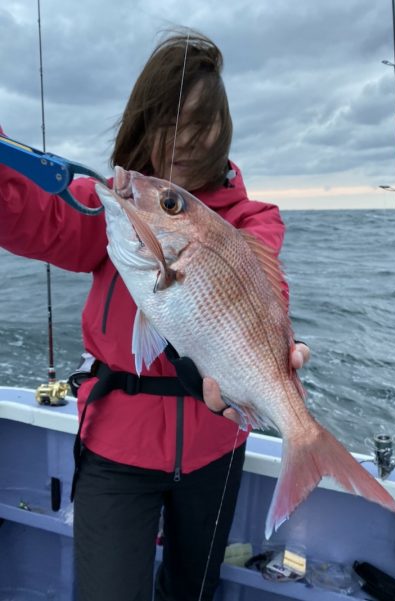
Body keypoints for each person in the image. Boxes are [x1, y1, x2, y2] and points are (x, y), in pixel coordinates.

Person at [0, 29, 309, 601]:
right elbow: (28, 216)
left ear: (225, 127)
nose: (186, 141)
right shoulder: (118, 207)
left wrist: (273, 354)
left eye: (201, 123)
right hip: (116, 447)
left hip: (216, 448)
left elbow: (265, 293)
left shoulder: (252, 218)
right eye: (168, 122)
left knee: (192, 593)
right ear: (143, 125)